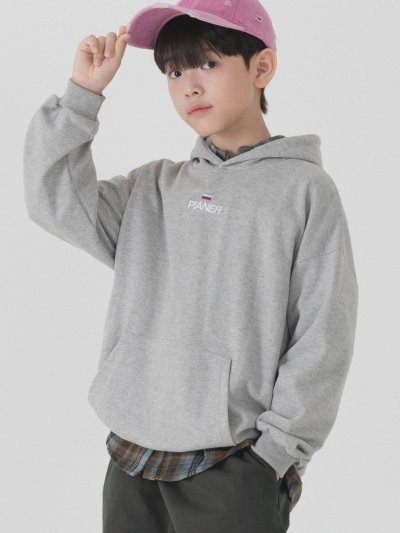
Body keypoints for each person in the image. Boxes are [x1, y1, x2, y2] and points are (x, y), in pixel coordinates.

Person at [22, 1, 359, 531]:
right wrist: (82, 96)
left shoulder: (304, 192)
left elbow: (323, 334)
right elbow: (53, 199)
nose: (189, 87)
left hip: (234, 466)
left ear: (262, 67)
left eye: (208, 63)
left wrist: (275, 455)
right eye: (174, 72)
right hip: (130, 457)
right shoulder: (153, 188)